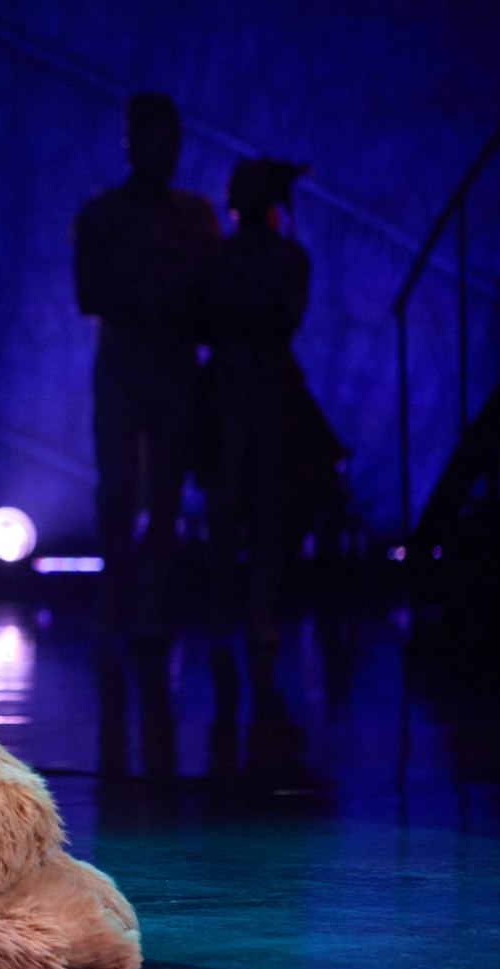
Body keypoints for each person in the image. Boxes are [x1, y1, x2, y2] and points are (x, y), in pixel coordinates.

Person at [73, 93, 221, 644]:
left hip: (170, 365)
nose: (168, 152)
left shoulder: (193, 218)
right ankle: (120, 594)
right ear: (133, 143)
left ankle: (148, 601)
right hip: (129, 363)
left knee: (164, 489)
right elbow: (88, 293)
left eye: (173, 141)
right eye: (159, 140)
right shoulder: (106, 215)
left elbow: (211, 292)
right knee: (120, 485)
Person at [200, 157, 331, 649]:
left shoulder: (281, 258)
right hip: (231, 386)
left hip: (263, 385)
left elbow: (280, 317)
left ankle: (255, 609)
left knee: (266, 499)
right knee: (229, 501)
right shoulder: (224, 257)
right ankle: (234, 608)